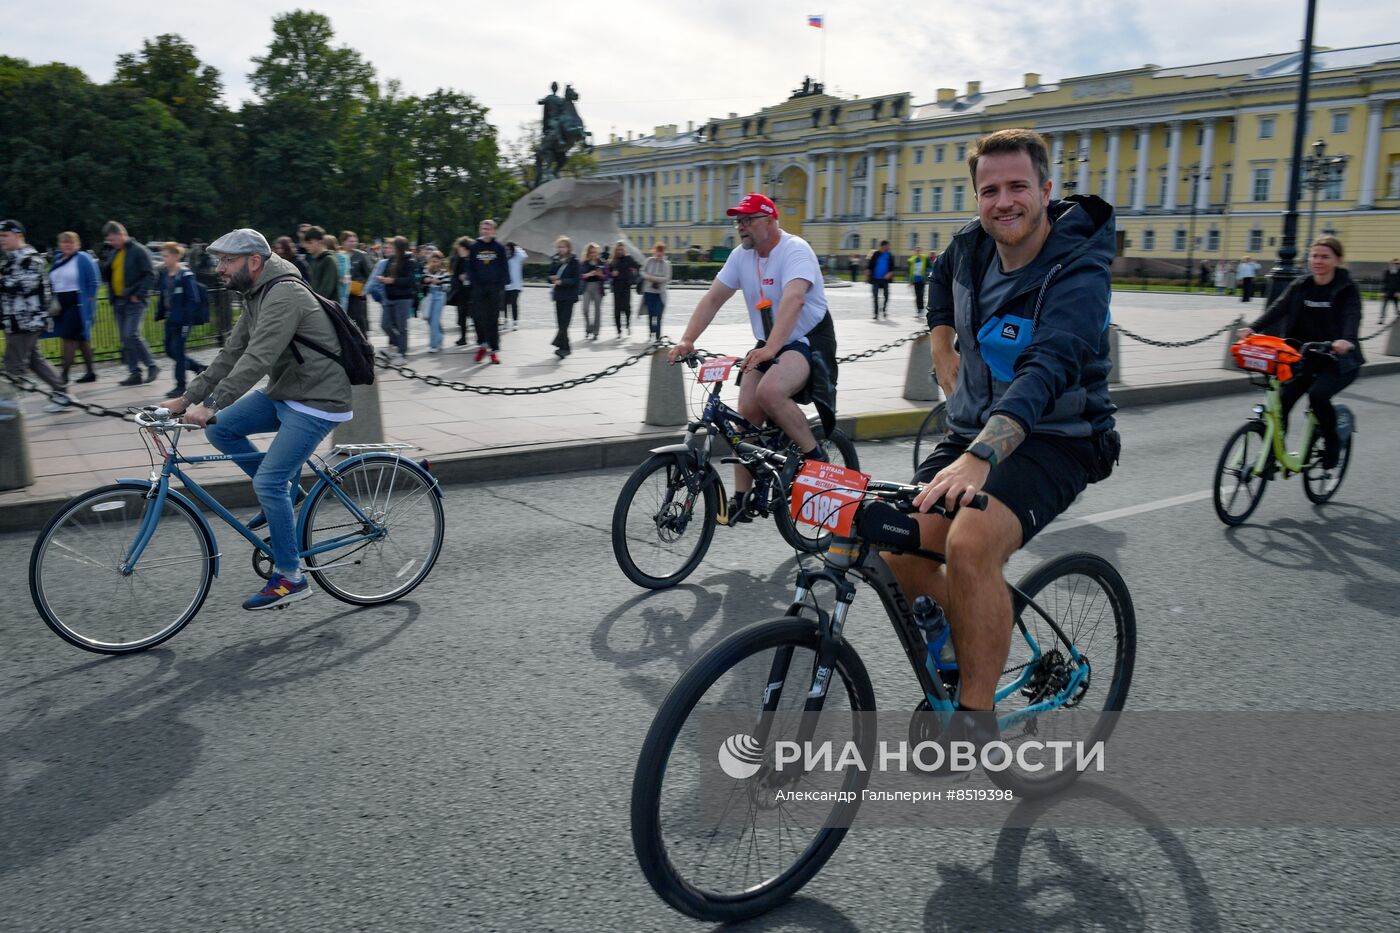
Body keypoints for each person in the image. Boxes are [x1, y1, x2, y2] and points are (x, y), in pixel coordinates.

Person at [889, 128, 1119, 746]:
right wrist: (941, 342)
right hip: (972, 431)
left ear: (1046, 189)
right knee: (892, 542)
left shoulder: (1078, 271)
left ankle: (975, 717)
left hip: (1060, 435)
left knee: (969, 542)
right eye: (989, 190)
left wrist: (981, 455)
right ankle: (961, 644)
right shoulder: (970, 246)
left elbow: (1047, 370)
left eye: (1018, 186)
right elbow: (941, 281)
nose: (1004, 201)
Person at [159, 228, 353, 611]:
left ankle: (291, 576)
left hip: (317, 399)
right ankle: (286, 494)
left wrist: (213, 402)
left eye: (227, 261)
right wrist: (186, 399)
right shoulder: (257, 293)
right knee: (224, 430)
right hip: (288, 390)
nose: (219, 268)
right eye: (218, 261)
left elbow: (257, 358)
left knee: (268, 480)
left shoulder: (284, 293)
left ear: (253, 261)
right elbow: (233, 352)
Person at [668, 193, 839, 517]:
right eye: (738, 221)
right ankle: (742, 498)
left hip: (807, 338)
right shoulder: (740, 256)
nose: (741, 227)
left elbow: (794, 300)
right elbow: (713, 299)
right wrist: (687, 340)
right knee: (746, 412)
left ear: (770, 220)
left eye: (748, 220)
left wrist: (771, 349)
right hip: (769, 341)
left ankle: (816, 458)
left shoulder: (795, 250)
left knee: (770, 391)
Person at [1237, 235, 1362, 470]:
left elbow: (1352, 316)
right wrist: (1253, 329)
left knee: (1318, 396)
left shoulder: (1347, 289)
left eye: (1325, 256)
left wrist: (1346, 340)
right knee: (1282, 402)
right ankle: (1274, 453)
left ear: (1338, 260)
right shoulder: (1301, 285)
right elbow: (1277, 309)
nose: (1318, 261)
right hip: (1304, 357)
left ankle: (1333, 444)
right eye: (1315, 256)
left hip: (1338, 361)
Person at [1, 219, 76, 412]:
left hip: (26, 321)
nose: (1, 240)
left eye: (4, 235)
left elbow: (24, 286)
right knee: (34, 360)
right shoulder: (11, 259)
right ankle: (63, 394)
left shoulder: (30, 258)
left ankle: (10, 407)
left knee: (13, 363)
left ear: (18, 235)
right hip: (16, 320)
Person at [100, 220, 159, 386]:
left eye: (112, 239)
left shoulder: (139, 251)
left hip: (134, 301)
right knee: (125, 338)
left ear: (121, 234)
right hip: (119, 301)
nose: (111, 243)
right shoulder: (114, 252)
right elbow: (108, 274)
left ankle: (152, 365)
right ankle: (135, 373)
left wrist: (139, 294)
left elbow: (150, 275)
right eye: (109, 241)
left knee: (131, 334)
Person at [155, 242, 208, 396]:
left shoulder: (185, 275)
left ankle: (180, 385)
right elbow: (163, 295)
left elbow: (193, 299)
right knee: (169, 350)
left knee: (178, 352)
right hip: (170, 319)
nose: (163, 259)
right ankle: (198, 367)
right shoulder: (165, 274)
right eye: (162, 256)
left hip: (182, 321)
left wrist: (186, 318)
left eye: (166, 256)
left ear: (176, 256)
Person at [48, 231, 101, 384]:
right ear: (59, 244)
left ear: (77, 244)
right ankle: (91, 372)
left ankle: (63, 375)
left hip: (77, 303)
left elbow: (93, 280)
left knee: (68, 338)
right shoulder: (58, 259)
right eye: (64, 242)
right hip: (61, 304)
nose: (67, 245)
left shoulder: (83, 258)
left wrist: (90, 297)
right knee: (81, 339)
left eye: (71, 242)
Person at [467, 219, 509, 364]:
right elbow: (470, 267)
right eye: (483, 228)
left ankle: (494, 350)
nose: (485, 231)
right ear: (480, 230)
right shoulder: (474, 247)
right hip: (478, 288)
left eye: (488, 229)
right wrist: (473, 283)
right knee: (477, 317)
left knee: (492, 320)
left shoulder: (499, 248)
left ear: (494, 231)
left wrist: (501, 285)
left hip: (494, 288)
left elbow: (504, 268)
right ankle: (482, 345)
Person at [377, 235, 417, 363]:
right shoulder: (391, 259)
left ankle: (402, 354)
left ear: (399, 247)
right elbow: (387, 274)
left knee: (401, 327)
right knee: (385, 324)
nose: (390, 248)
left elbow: (410, 281)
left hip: (403, 298)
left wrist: (392, 280)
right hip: (390, 297)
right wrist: (383, 278)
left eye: (392, 246)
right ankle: (398, 345)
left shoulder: (409, 260)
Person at [548, 236, 580, 358]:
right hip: (558, 295)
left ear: (568, 248)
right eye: (559, 247)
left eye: (563, 247)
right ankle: (565, 347)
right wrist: (551, 278)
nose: (561, 249)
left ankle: (560, 344)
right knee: (560, 322)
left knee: (564, 323)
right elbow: (549, 275)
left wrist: (562, 281)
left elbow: (576, 280)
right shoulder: (555, 259)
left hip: (569, 296)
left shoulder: (574, 261)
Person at [340, 230, 373, 334]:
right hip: (343, 292)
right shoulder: (339, 254)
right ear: (343, 242)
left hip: (357, 292)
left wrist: (365, 289)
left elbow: (370, 274)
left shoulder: (361, 255)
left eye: (355, 241)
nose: (353, 243)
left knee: (359, 318)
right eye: (350, 241)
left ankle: (364, 342)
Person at [640, 243, 672, 341]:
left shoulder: (667, 264)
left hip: (660, 294)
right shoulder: (649, 261)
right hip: (649, 292)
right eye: (657, 251)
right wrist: (648, 277)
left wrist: (655, 279)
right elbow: (641, 271)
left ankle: (657, 337)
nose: (659, 253)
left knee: (658, 316)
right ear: (654, 251)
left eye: (661, 251)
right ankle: (651, 333)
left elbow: (668, 278)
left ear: (663, 252)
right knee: (650, 314)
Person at [608, 241, 640, 337]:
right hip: (617, 287)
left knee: (627, 308)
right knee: (617, 309)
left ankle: (628, 324)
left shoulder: (628, 258)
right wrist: (612, 274)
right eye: (618, 250)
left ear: (624, 250)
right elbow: (607, 273)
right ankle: (618, 330)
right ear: (615, 250)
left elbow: (638, 266)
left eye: (621, 249)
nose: (620, 251)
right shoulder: (613, 261)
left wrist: (635, 277)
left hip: (626, 286)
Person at [421, 251, 450, 352]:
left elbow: (447, 287)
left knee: (435, 321)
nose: (434, 263)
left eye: (436, 261)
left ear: (440, 261)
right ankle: (439, 337)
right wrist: (425, 280)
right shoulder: (426, 269)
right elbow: (422, 280)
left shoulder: (444, 272)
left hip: (440, 295)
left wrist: (439, 282)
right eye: (432, 261)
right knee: (428, 318)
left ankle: (433, 345)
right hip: (429, 295)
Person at [301, 226, 339, 301]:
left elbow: (327, 289)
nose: (306, 246)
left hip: (328, 307)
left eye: (310, 243)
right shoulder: (314, 260)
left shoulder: (329, 260)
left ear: (320, 242)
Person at [579, 242, 606, 340]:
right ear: (588, 253)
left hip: (598, 287)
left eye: (595, 252)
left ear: (597, 252)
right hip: (587, 287)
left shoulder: (602, 262)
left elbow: (606, 276)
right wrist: (588, 274)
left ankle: (596, 332)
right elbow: (580, 276)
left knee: (597, 311)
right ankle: (588, 327)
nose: (593, 254)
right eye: (591, 252)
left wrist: (600, 275)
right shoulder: (584, 263)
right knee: (585, 309)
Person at [449, 236, 473, 347]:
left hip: (473, 292)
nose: (458, 250)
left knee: (476, 316)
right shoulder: (458, 259)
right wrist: (458, 279)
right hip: (461, 291)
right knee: (462, 316)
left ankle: (481, 337)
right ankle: (463, 337)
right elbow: (454, 275)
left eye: (460, 248)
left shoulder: (474, 259)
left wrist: (467, 276)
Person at [867, 240, 894, 318]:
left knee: (886, 296)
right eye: (888, 245)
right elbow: (870, 266)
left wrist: (890, 273)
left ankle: (884, 310)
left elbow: (892, 267)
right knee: (875, 297)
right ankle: (876, 313)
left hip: (885, 280)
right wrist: (867, 276)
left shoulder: (889, 255)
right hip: (875, 279)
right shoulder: (875, 254)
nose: (889, 247)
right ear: (883, 246)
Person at [504, 241, 525, 331]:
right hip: (505, 285)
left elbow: (524, 255)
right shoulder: (503, 258)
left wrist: (516, 247)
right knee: (503, 304)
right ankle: (505, 321)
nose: (507, 251)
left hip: (516, 285)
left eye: (509, 249)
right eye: (506, 249)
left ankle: (515, 322)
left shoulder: (517, 257)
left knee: (514, 304)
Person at [908, 246, 929, 317]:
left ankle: (921, 309)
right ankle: (918, 311)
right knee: (917, 296)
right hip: (915, 280)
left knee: (921, 295)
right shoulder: (912, 260)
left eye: (919, 251)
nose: (918, 252)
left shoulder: (924, 258)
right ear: (914, 252)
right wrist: (910, 281)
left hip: (922, 280)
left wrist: (928, 273)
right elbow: (910, 271)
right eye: (916, 251)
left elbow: (929, 266)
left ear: (921, 251)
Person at [1379, 257, 1400, 324]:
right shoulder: (1387, 272)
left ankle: (1398, 319)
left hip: (1395, 293)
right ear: (1391, 264)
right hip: (1387, 292)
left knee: (1396, 306)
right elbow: (1384, 282)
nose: (1397, 264)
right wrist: (1382, 292)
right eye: (1395, 263)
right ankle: (1382, 319)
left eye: (1398, 263)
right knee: (1384, 306)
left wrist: (1398, 292)